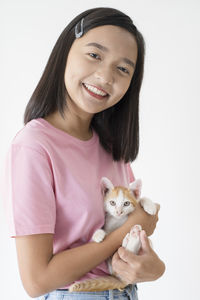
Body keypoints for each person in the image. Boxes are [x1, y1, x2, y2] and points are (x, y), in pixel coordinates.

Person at [2, 7, 165, 300]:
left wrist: (154, 268)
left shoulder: (112, 147)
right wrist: (129, 228)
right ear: (66, 49)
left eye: (123, 69)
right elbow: (36, 280)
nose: (104, 76)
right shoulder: (34, 146)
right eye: (95, 55)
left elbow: (130, 233)